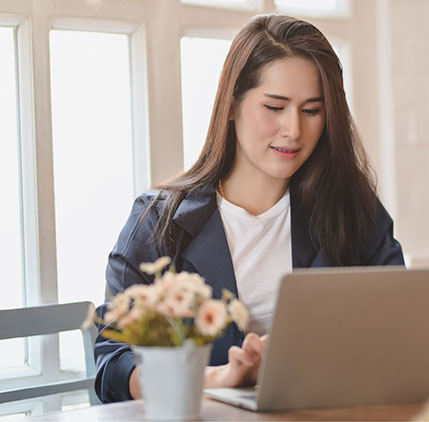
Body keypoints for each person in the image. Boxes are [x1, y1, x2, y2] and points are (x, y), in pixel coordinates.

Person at [94, 14, 404, 403]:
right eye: (274, 107)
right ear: (232, 106)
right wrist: (218, 377)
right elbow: (113, 367)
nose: (293, 129)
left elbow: (398, 328)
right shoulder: (158, 222)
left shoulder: (352, 211)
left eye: (312, 110)